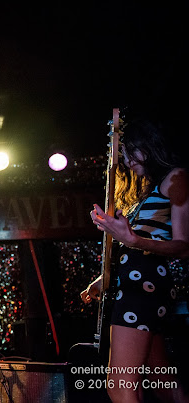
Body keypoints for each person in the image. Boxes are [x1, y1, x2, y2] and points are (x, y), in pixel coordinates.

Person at [80, 117, 189, 402]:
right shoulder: (146, 191)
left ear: (150, 146)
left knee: (120, 387)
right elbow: (137, 249)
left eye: (131, 152)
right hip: (138, 287)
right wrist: (105, 278)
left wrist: (131, 240)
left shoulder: (175, 178)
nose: (127, 161)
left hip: (145, 291)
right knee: (164, 382)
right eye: (124, 154)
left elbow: (183, 245)